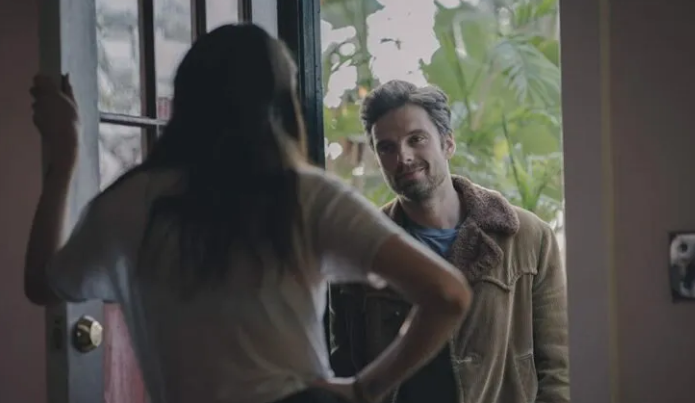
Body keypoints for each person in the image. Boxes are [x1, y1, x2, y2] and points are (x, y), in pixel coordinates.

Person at [23, 25, 473, 403]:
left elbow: (42, 283)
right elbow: (448, 294)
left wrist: (63, 158)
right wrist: (364, 389)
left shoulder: (130, 203)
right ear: (282, 105)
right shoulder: (306, 196)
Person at [329, 80, 569, 403]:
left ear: (448, 144)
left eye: (416, 139)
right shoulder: (360, 250)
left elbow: (558, 369)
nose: (403, 156)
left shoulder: (528, 237)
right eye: (386, 147)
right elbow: (346, 367)